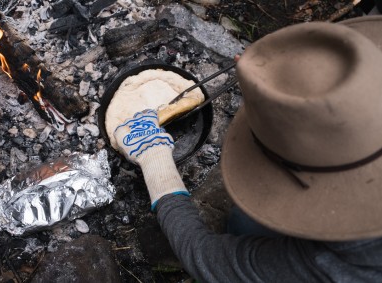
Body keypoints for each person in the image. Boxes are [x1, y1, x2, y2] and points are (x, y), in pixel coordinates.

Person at [113, 16, 382, 282]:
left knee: (245, 225)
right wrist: (274, 80)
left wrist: (155, 162)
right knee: (246, 221)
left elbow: (204, 256)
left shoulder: (339, 264)